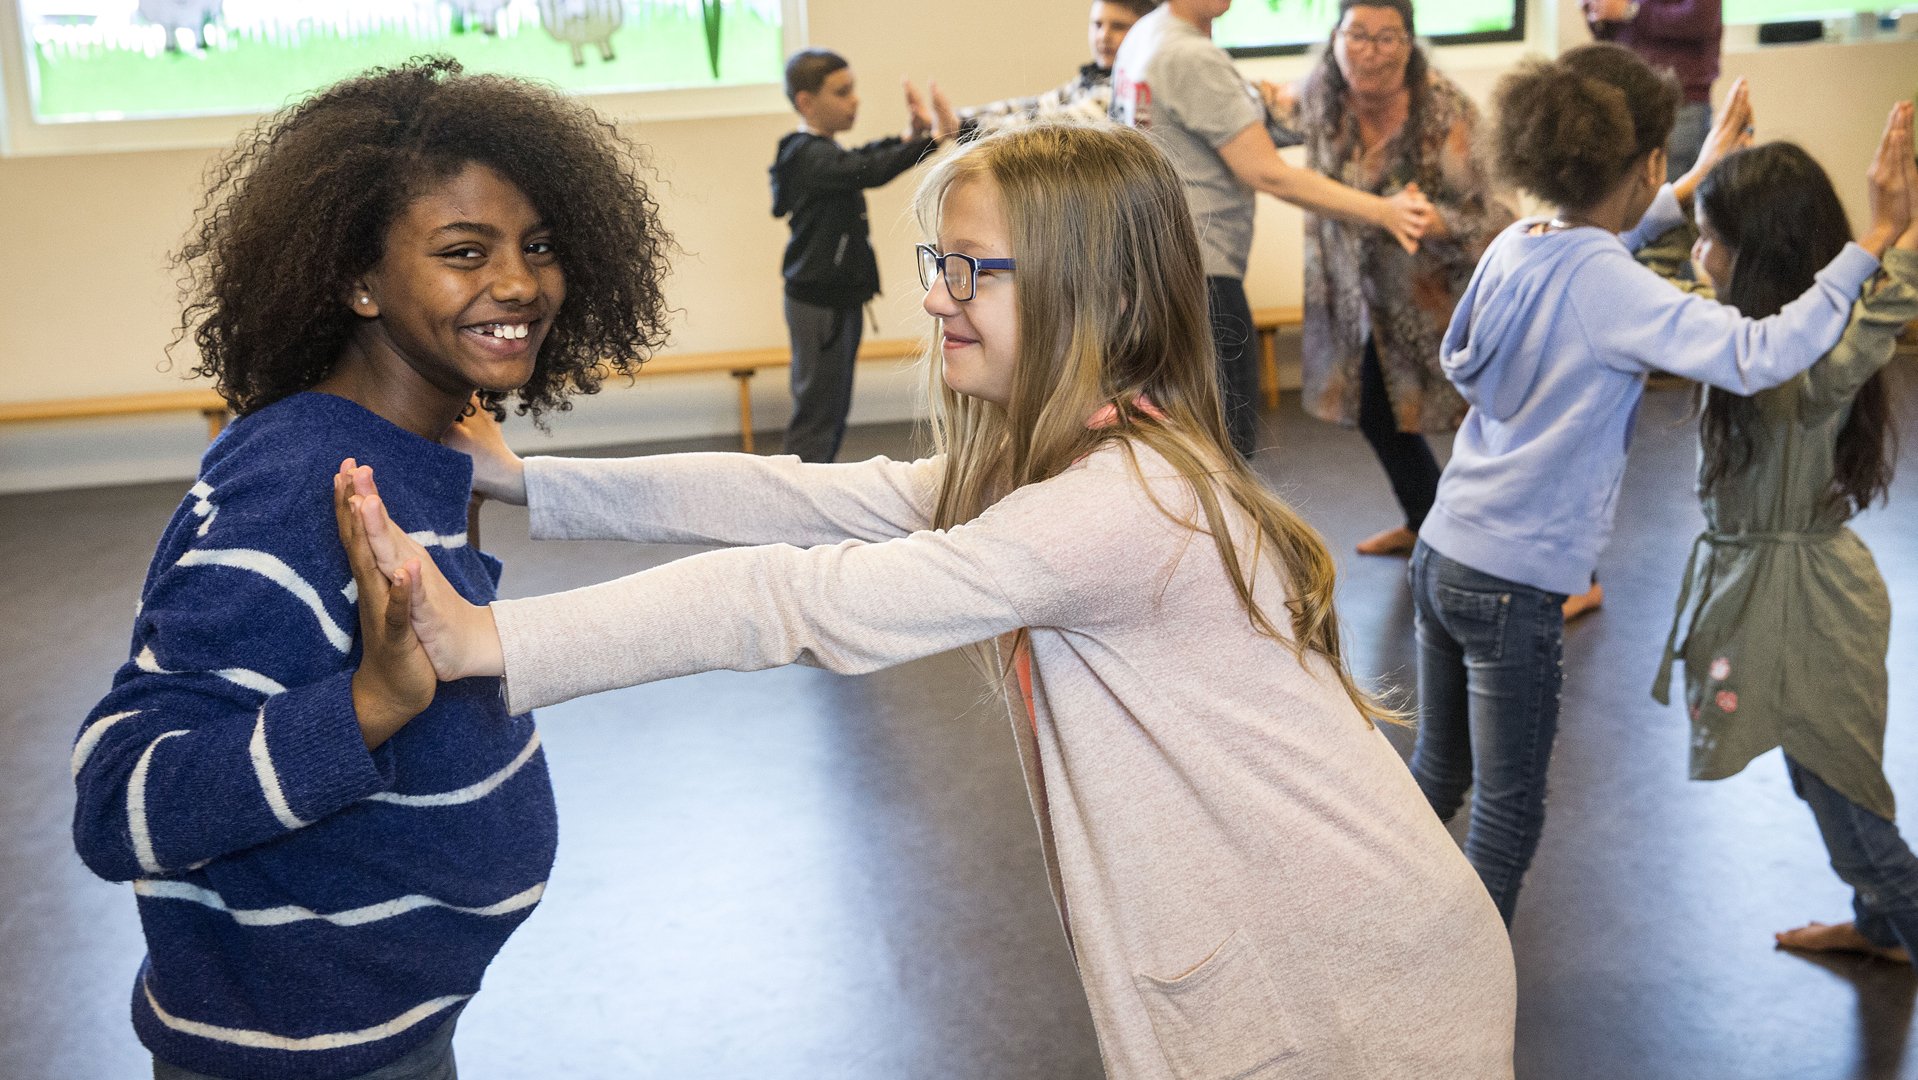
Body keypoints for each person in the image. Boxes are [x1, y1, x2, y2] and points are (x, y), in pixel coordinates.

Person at [340, 124, 1518, 1078]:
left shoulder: (1117, 506)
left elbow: (791, 599)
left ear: (1086, 290)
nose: (940, 298)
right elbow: (799, 502)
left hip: (1360, 990)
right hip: (1317, 962)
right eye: (936, 267)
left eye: (971, 271)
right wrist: (528, 483)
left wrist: (487, 638)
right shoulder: (1054, 462)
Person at [68, 58, 673, 1080]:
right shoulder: (302, 486)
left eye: (538, 246)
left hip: (385, 1030)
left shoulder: (420, 454)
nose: (519, 282)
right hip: (291, 1058)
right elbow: (121, 800)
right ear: (356, 279)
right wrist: (365, 708)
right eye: (462, 251)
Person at [1408, 44, 1912, 926]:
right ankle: (1450, 997)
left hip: (1443, 551)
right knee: (1507, 814)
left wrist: (1691, 181)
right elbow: (1761, 352)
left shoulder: (1519, 246)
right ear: (1647, 161)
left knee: (1437, 777)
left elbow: (1597, 253)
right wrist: (1873, 239)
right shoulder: (1619, 291)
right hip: (1513, 584)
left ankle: (1377, 937)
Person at [1648, 137, 1918, 962]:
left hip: (1809, 606)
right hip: (1769, 589)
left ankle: (1894, 915)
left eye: (1712, 237)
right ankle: (1880, 929)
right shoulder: (1733, 331)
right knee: (1818, 770)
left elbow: (1885, 307)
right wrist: (1694, 178)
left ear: (1761, 255)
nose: (1698, 254)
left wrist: (1891, 227)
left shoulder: (1808, 367)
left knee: (1847, 798)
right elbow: (1650, 271)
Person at [1109, 0, 1432, 458]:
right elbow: (1267, 172)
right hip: (1202, 277)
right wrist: (1385, 211)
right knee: (1228, 447)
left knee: (1186, 444)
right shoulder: (1191, 56)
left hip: (1154, 268)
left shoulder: (1146, 36)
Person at [1270, 0, 1513, 557]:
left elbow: (1499, 214)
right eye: (1356, 34)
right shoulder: (1319, 97)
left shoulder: (1445, 114)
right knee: (1378, 413)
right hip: (1357, 302)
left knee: (1488, 424)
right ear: (1334, 38)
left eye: (1387, 38)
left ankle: (1562, 567)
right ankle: (1428, 523)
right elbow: (1249, 134)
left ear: (1409, 46)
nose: (1370, 52)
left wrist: (1439, 221)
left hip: (1443, 300)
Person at [773, 48, 957, 463]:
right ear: (806, 102)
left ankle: (808, 491)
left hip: (833, 300)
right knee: (818, 412)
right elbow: (866, 169)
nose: (854, 100)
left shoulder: (821, 152)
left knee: (829, 409)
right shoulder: (804, 155)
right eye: (842, 92)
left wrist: (915, 142)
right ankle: (798, 495)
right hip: (821, 303)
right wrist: (932, 141)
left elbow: (864, 157)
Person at [955, 0, 1156, 140]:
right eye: (1097, 25)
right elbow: (1035, 106)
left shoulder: (1129, 86)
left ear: (1144, 30)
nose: (1103, 36)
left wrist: (962, 127)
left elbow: (1054, 124)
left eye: (1119, 27)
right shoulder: (1094, 77)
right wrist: (958, 117)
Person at [1585, 0, 1723, 180]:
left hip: (1679, 104)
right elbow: (1608, 32)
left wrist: (1630, 10)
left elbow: (1701, 19)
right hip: (1627, 102)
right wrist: (1598, 8)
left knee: (1672, 198)